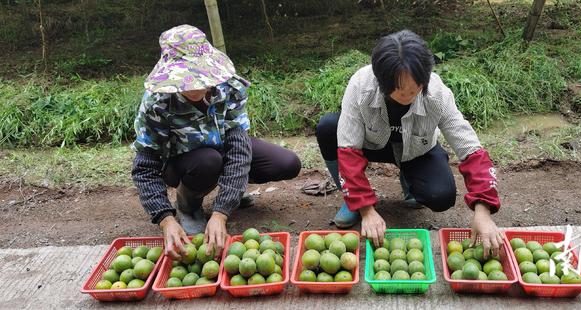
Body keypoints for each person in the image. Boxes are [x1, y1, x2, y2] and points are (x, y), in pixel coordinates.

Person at [315, 30, 504, 258]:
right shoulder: (361, 87)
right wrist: (366, 210)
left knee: (441, 196)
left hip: (416, 149)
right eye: (400, 89)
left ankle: (409, 178)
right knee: (328, 127)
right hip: (373, 145)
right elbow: (348, 150)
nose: (409, 93)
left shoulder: (437, 95)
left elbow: (471, 149)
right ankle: (352, 199)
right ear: (381, 81)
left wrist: (483, 211)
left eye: (416, 88)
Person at [131, 25, 301, 260]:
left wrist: (221, 212)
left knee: (287, 163)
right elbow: (144, 167)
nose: (195, 87)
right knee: (208, 160)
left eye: (200, 78)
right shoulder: (156, 104)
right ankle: (188, 205)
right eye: (186, 81)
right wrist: (165, 219)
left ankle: (230, 192)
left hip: (222, 150)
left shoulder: (229, 87)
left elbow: (239, 150)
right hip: (184, 163)